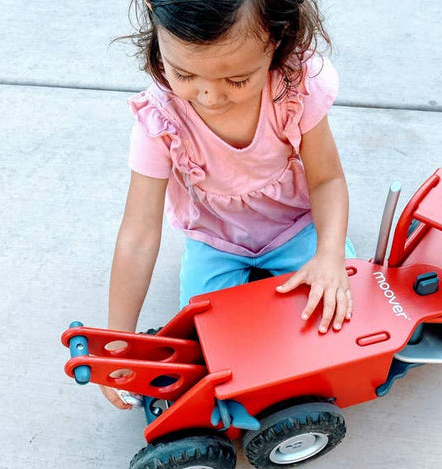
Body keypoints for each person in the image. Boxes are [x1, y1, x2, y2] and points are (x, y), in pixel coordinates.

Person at [102, 0, 356, 409]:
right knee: (208, 345)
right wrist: (118, 338)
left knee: (342, 312)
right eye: (183, 73)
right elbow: (138, 234)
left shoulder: (293, 88)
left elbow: (326, 178)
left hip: (296, 228)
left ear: (276, 40)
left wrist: (328, 256)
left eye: (237, 79)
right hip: (214, 240)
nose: (209, 95)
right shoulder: (160, 119)